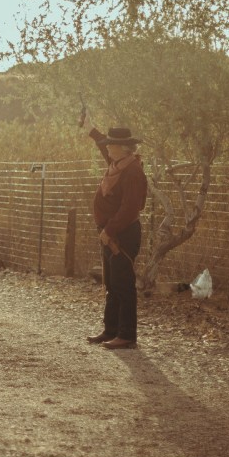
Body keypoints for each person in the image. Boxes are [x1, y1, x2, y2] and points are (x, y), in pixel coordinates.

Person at [81, 114, 147, 349]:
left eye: (112, 144)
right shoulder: (119, 164)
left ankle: (127, 335)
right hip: (111, 233)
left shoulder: (132, 172)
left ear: (124, 148)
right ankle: (111, 330)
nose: (107, 148)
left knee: (123, 284)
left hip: (123, 234)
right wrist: (91, 129)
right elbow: (101, 144)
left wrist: (109, 230)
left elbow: (129, 208)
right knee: (112, 283)